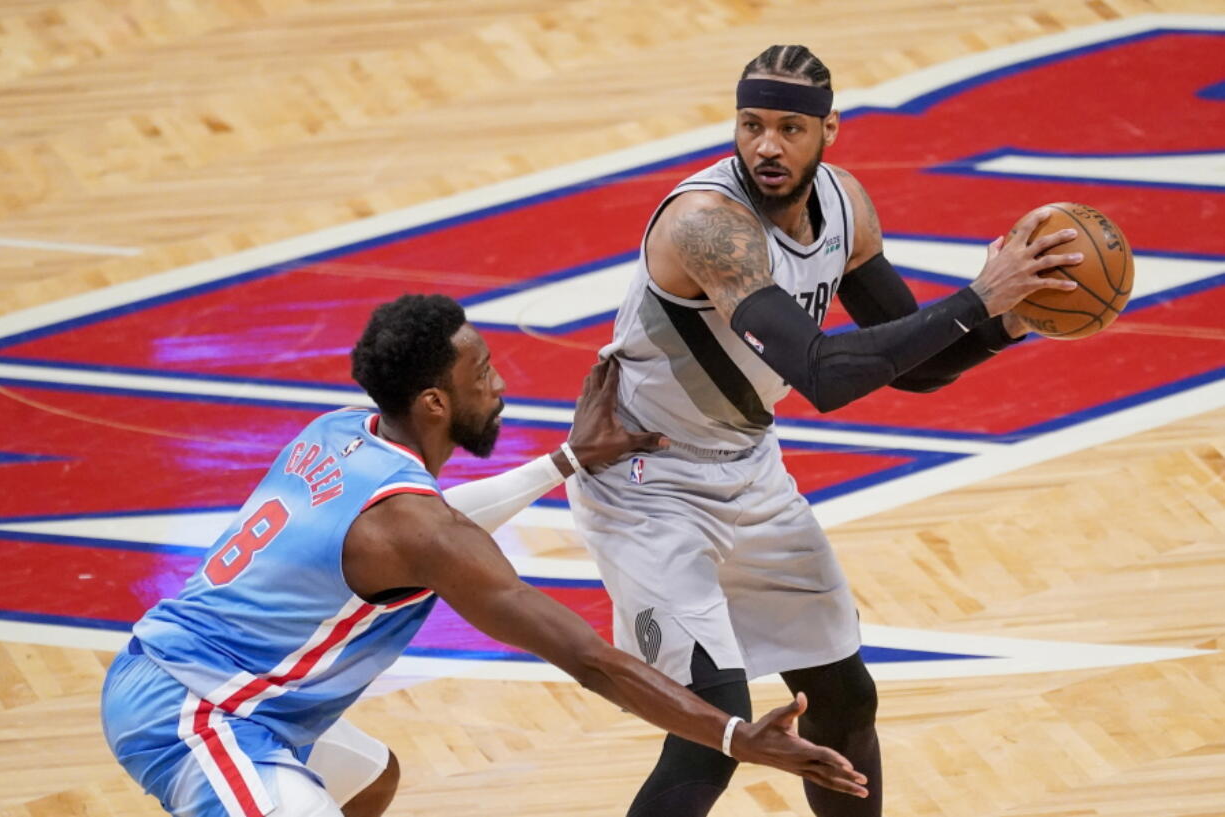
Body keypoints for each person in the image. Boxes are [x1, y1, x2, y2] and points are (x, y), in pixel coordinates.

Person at [100, 293, 869, 817]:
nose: (500, 387)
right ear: (433, 403)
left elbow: (433, 521)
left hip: (194, 674)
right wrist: (736, 737)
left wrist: (566, 460)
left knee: (368, 781)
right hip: (200, 713)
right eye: (483, 375)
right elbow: (591, 661)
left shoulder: (343, 432)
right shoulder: (420, 530)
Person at [566, 44, 1082, 817]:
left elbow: (910, 363)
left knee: (842, 703)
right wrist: (975, 299)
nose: (767, 146)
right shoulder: (709, 226)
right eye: (751, 124)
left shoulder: (845, 206)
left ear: (828, 129)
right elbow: (824, 375)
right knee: (713, 729)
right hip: (649, 483)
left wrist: (1003, 320)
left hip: (748, 468)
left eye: (789, 127)